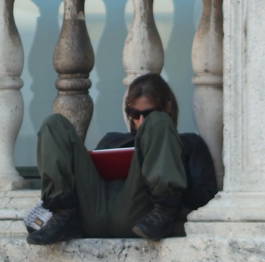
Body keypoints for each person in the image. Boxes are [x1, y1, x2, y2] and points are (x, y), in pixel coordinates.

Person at [26, 73, 218, 245]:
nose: (141, 121)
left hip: (141, 214)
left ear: (167, 108)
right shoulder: (112, 140)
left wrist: (175, 171)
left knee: (158, 124)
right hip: (94, 211)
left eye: (148, 113)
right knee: (54, 124)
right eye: (135, 114)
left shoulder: (189, 143)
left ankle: (163, 212)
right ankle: (62, 215)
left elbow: (206, 198)